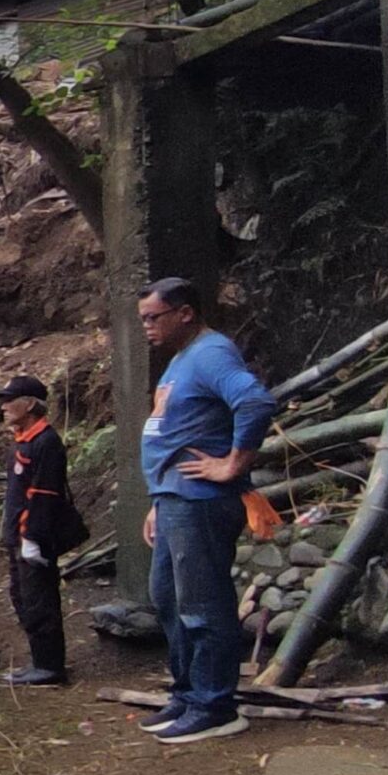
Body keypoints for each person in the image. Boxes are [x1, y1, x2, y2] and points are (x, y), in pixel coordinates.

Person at [136, 277, 276, 743]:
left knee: (202, 603)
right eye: (142, 320)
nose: (147, 327)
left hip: (201, 502)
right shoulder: (181, 361)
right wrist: (159, 498)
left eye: (153, 317)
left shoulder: (212, 353)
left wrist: (232, 463)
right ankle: (188, 692)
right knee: (169, 599)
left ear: (185, 312)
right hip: (175, 500)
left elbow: (254, 400)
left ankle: (216, 704)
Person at [0, 374, 84, 687]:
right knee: (22, 596)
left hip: (34, 536)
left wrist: (31, 537)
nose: (4, 407)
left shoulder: (46, 442)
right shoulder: (25, 440)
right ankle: (39, 660)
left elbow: (44, 494)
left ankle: (49, 666)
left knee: (39, 598)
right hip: (17, 536)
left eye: (10, 400)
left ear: (31, 404)